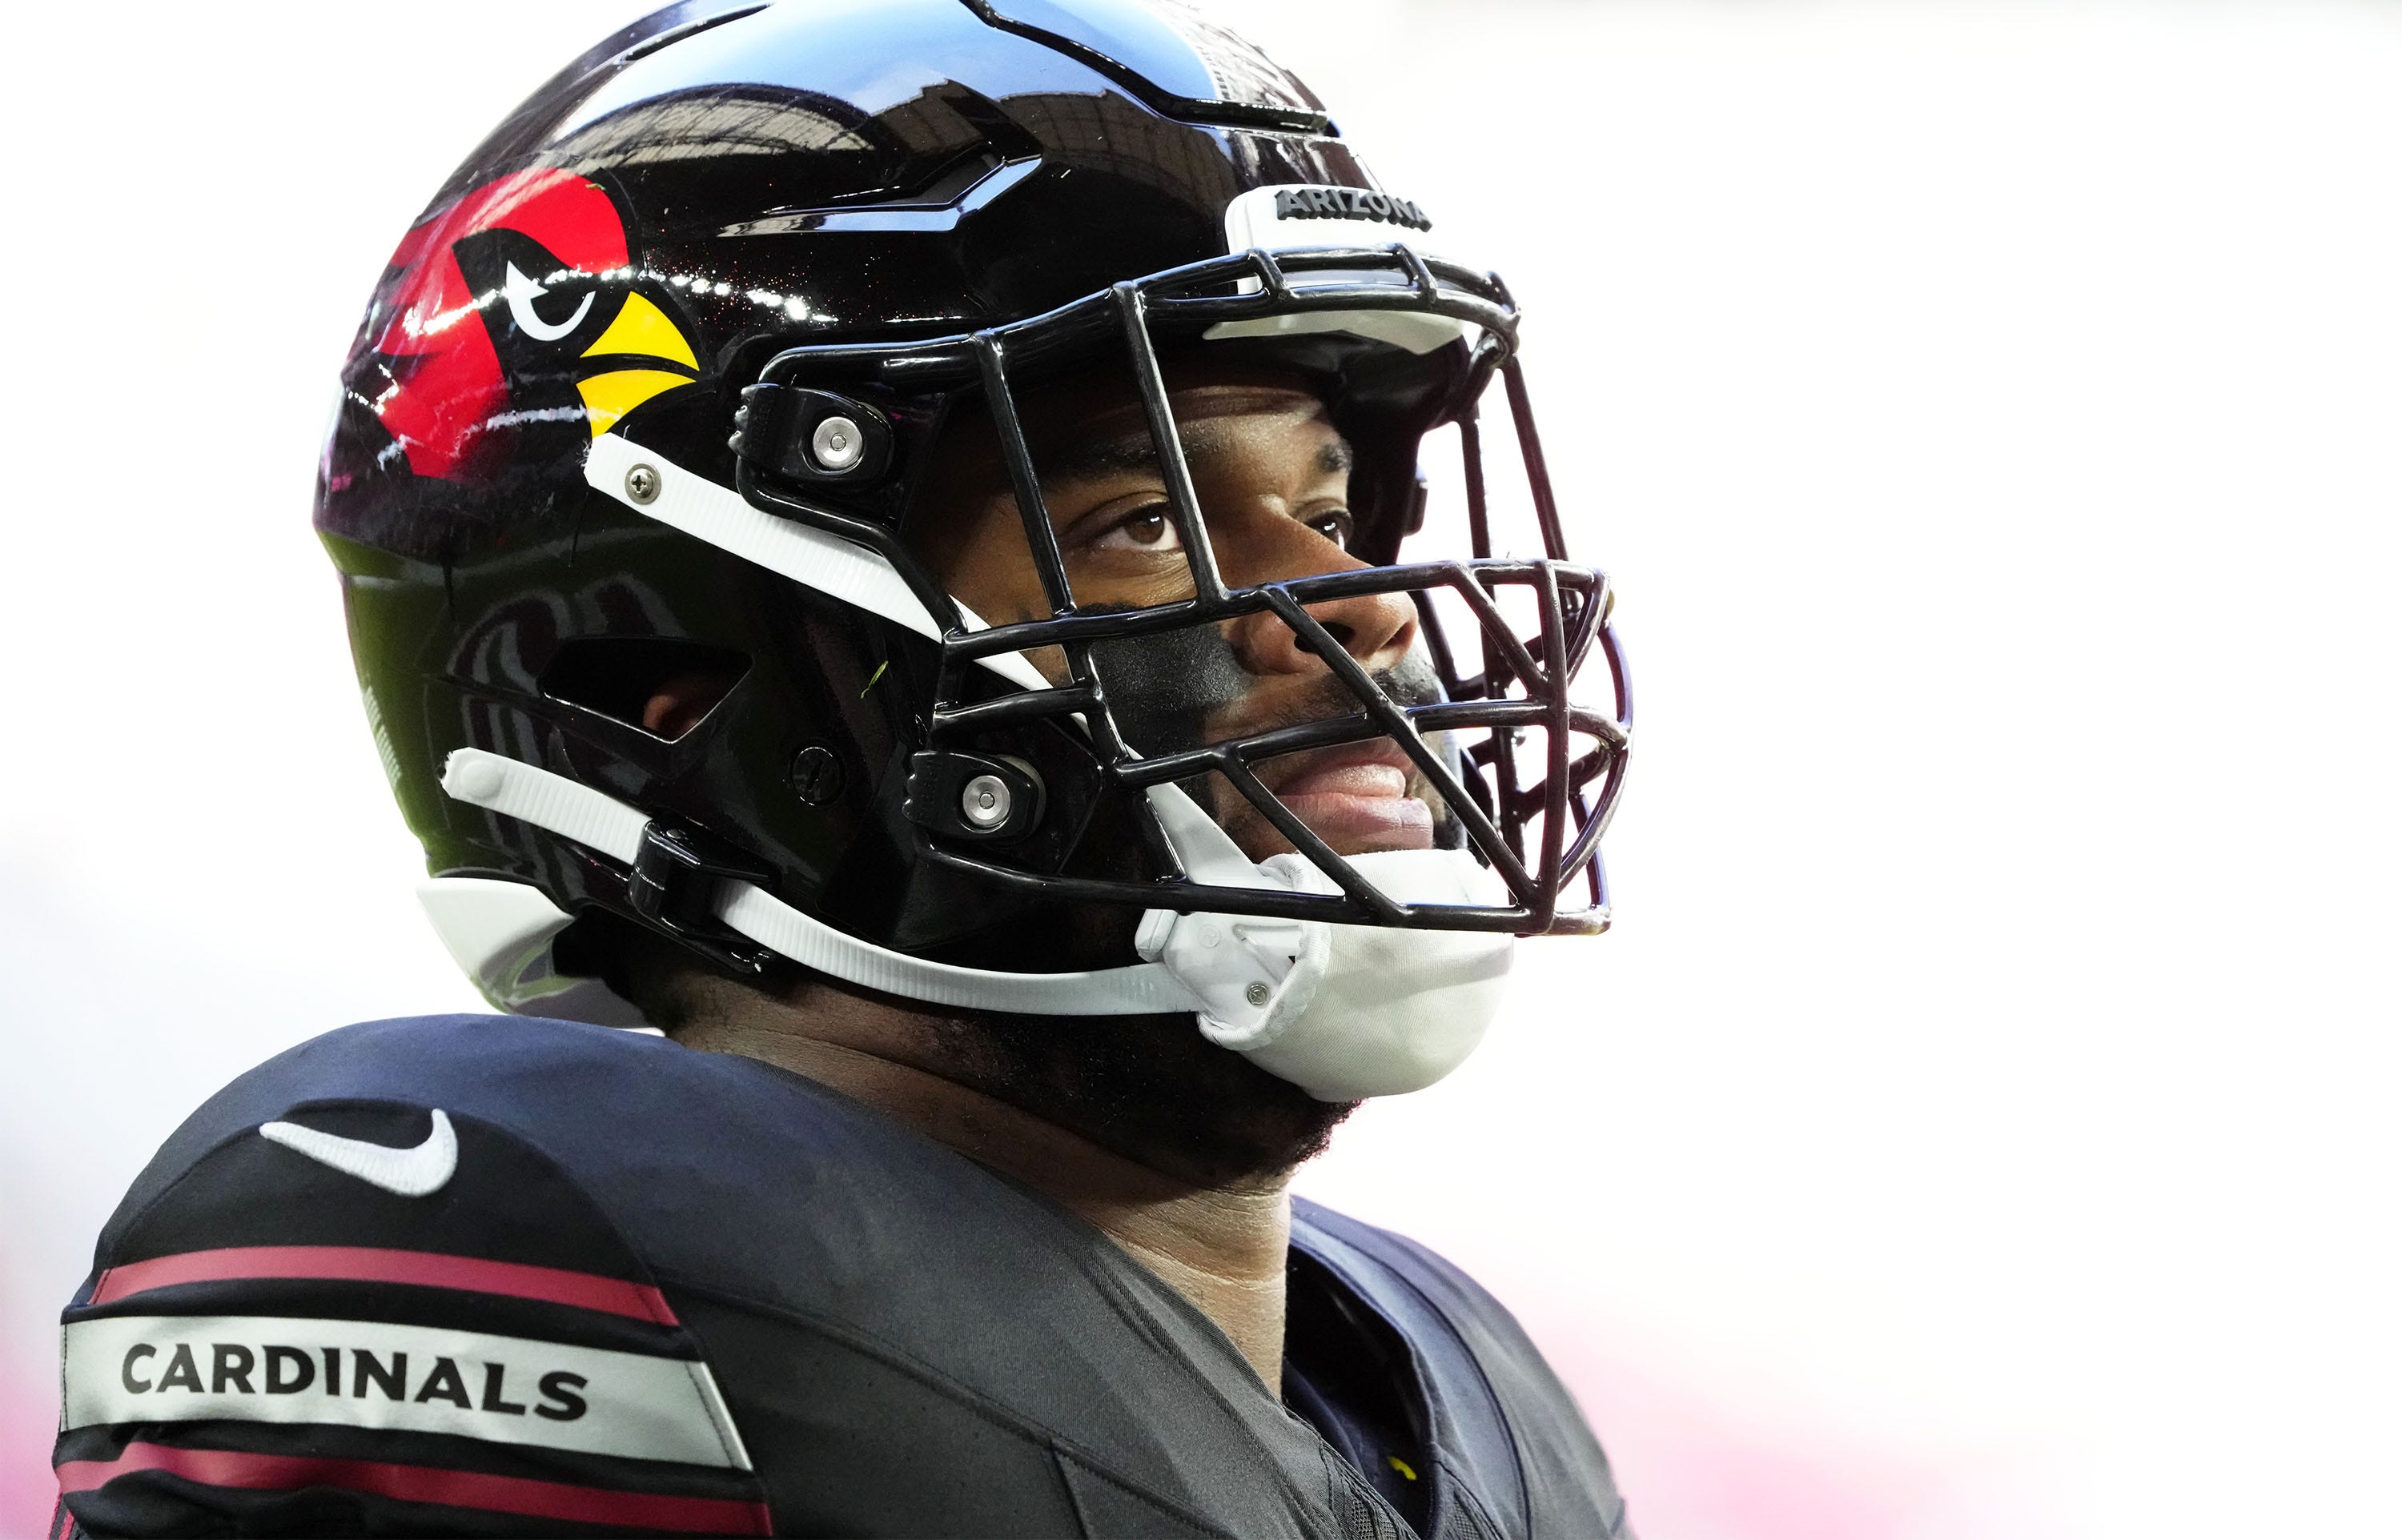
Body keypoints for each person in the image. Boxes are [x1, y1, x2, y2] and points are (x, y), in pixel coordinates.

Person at [50, 1, 1635, 1534]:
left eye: (1333, 512)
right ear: (681, 693)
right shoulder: (519, 1236)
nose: (1360, 603)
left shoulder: (1474, 1402)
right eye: (1145, 522)